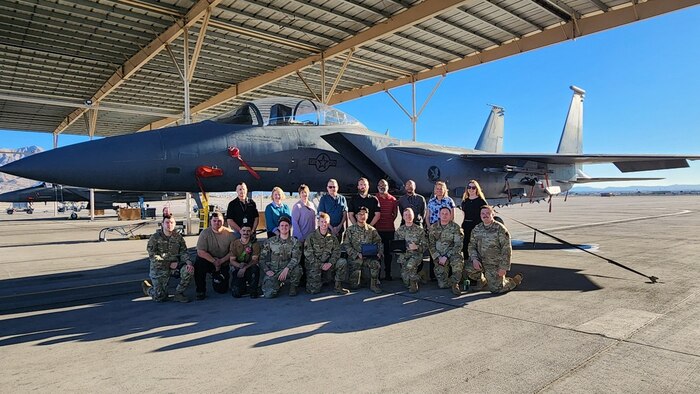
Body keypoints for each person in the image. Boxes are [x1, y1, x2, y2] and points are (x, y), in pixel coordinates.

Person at [466, 205, 523, 294]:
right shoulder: (477, 229)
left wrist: (503, 267)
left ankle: (513, 282)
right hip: (481, 261)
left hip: (494, 263)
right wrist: (474, 259)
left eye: (488, 213)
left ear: (493, 214)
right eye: (483, 213)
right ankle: (482, 281)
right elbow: (471, 245)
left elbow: (506, 249)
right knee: (467, 268)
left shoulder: (500, 229)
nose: (485, 215)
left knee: (496, 289)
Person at [143, 214, 194, 303]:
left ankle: (179, 294)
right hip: (159, 268)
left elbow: (183, 252)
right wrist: (169, 264)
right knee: (160, 297)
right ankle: (148, 289)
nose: (169, 225)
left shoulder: (178, 237)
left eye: (171, 223)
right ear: (162, 224)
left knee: (189, 270)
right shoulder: (154, 238)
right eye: (167, 222)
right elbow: (153, 256)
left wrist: (188, 262)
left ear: (174, 224)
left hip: (175, 267)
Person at [193, 212, 235, 300]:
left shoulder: (230, 234)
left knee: (222, 290)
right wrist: (214, 261)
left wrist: (221, 261)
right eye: (214, 221)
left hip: (223, 262)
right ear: (210, 222)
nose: (217, 223)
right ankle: (200, 290)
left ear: (223, 221)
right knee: (199, 262)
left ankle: (218, 278)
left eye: (219, 221)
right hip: (209, 261)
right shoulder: (204, 233)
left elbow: (233, 252)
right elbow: (200, 251)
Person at [304, 213, 349, 294]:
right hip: (315, 266)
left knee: (342, 262)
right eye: (322, 222)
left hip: (328, 265)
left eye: (326, 222)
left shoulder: (332, 237)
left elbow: (337, 251)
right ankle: (320, 281)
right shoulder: (311, 237)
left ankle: (338, 286)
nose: (324, 224)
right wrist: (321, 265)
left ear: (328, 223)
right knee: (313, 291)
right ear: (318, 223)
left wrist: (330, 263)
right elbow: (309, 255)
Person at [341, 206, 383, 293]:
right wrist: (356, 254)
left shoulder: (372, 230)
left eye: (364, 214)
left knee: (375, 264)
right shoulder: (350, 230)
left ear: (367, 216)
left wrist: (379, 252)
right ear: (356, 216)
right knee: (354, 286)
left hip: (369, 258)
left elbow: (379, 242)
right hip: (355, 258)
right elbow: (346, 245)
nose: (362, 216)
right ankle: (358, 281)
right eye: (359, 214)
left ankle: (374, 285)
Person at [260, 216, 303, 298]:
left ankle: (293, 287)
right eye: (282, 225)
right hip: (274, 271)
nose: (284, 227)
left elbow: (295, 258)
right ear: (278, 227)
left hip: (288, 270)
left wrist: (287, 269)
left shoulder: (295, 242)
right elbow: (262, 259)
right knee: (269, 295)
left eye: (286, 225)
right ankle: (276, 284)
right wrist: (267, 270)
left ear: (290, 227)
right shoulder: (270, 241)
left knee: (298, 269)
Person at [428, 206, 464, 296]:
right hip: (439, 256)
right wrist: (439, 256)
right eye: (442, 214)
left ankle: (455, 283)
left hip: (452, 254)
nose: (444, 215)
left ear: (450, 215)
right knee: (442, 285)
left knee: (457, 263)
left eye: (446, 214)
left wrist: (447, 256)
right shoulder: (433, 227)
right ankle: (451, 282)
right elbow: (431, 245)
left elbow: (458, 245)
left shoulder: (455, 227)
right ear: (439, 215)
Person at [394, 208, 427, 293]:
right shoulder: (399, 231)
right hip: (404, 256)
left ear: (413, 216)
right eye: (406, 215)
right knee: (406, 282)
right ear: (403, 217)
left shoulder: (419, 230)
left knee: (410, 266)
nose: (408, 216)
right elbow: (395, 246)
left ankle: (414, 285)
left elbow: (425, 245)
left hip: (415, 255)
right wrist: (399, 251)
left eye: (410, 215)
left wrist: (417, 247)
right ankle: (420, 275)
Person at [375, 179, 398, 280]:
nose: (382, 187)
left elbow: (395, 214)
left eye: (384, 185)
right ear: (377, 187)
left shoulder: (393, 200)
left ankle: (388, 274)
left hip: (389, 230)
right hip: (377, 230)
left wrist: (388, 221)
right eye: (380, 185)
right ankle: (378, 275)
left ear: (388, 187)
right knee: (378, 253)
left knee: (388, 254)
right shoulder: (374, 198)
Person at [229, 225, 261, 298]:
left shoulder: (254, 244)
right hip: (238, 267)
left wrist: (244, 268)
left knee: (255, 269)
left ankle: (253, 290)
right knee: (236, 293)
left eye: (248, 231)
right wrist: (240, 266)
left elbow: (255, 260)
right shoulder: (234, 244)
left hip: (250, 267)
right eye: (243, 230)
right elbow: (232, 260)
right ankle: (243, 286)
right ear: (240, 231)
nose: (245, 233)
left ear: (251, 232)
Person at [460, 179, 488, 259]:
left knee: (477, 248)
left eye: (473, 187)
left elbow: (485, 214)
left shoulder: (481, 201)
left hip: (477, 227)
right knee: (466, 247)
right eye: (469, 187)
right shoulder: (465, 201)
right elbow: (464, 215)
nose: (471, 189)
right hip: (467, 227)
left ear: (477, 189)